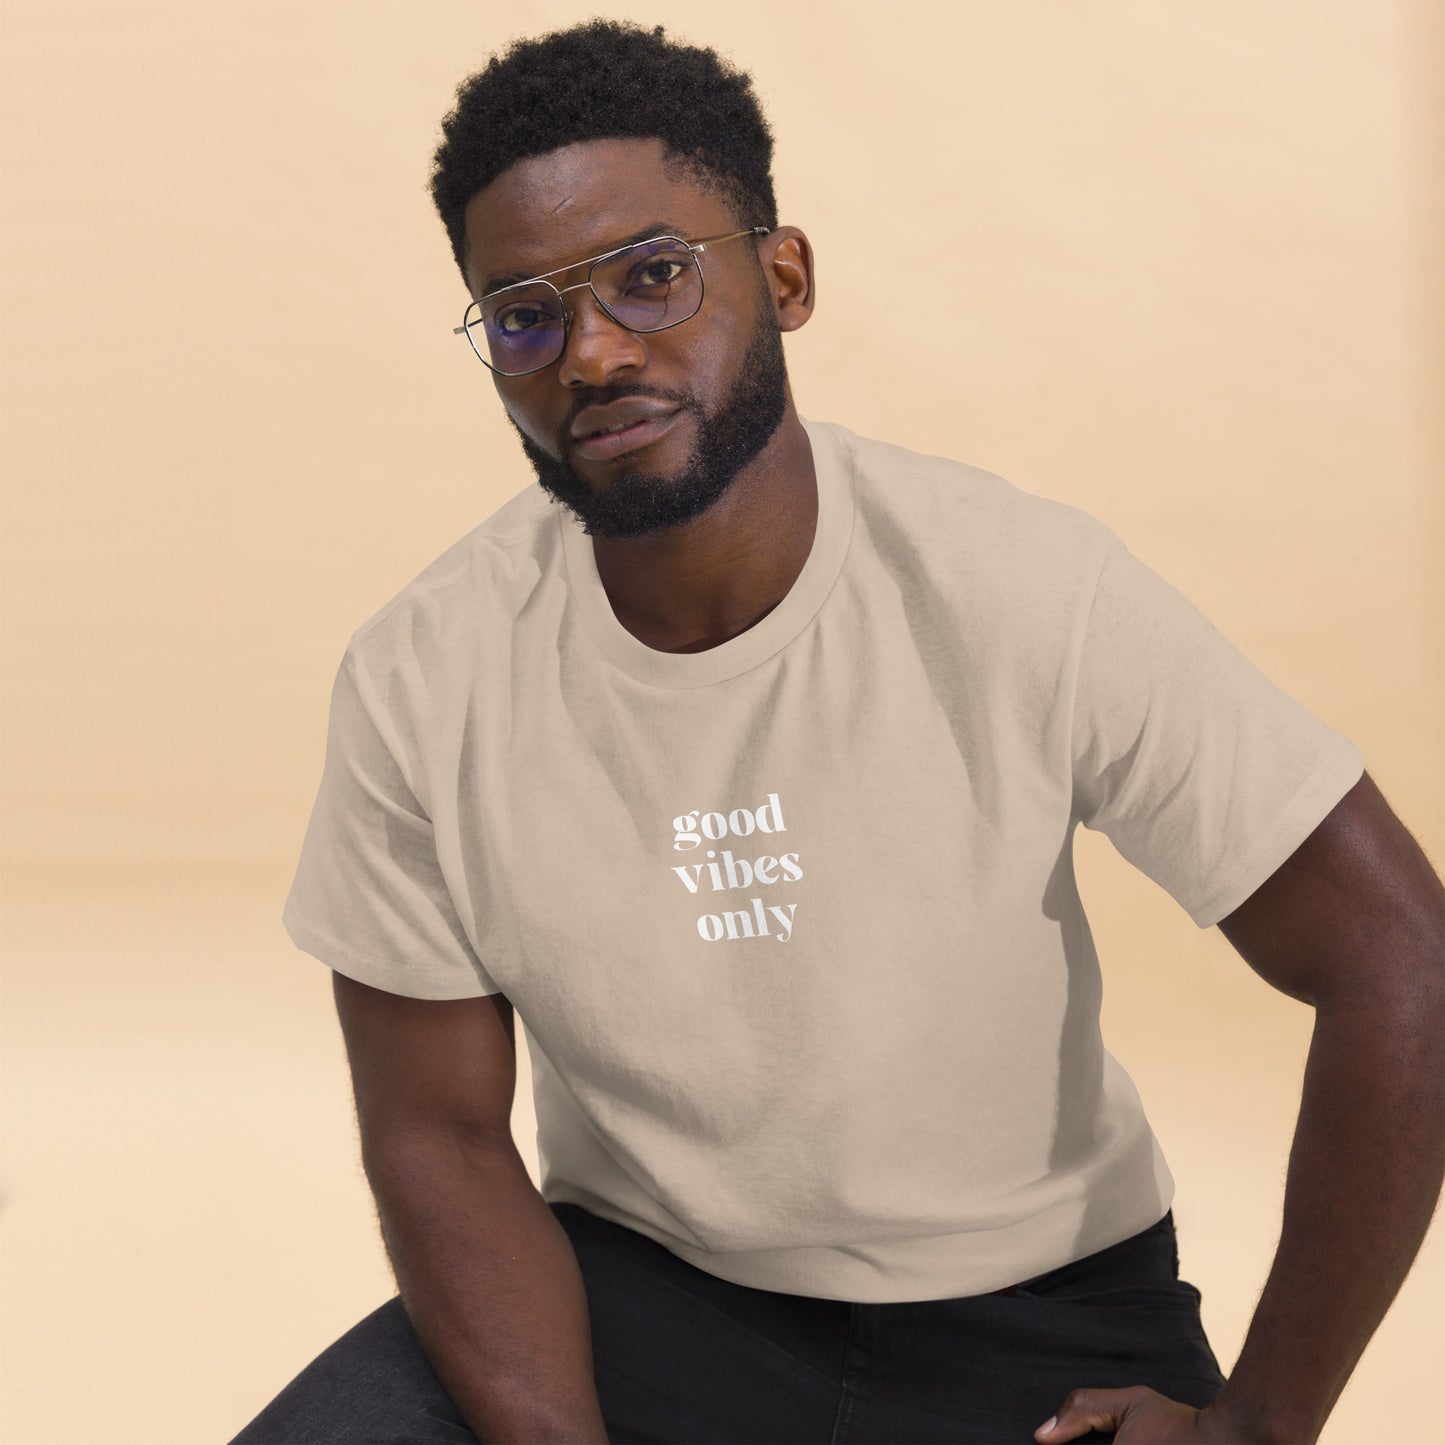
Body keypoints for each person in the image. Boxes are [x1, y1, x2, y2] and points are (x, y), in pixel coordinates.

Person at [231, 19, 1445, 1445]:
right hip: (643, 1298)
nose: (594, 352)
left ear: (783, 276)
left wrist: (1260, 1423)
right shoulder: (420, 676)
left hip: (1035, 1321)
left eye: (653, 274)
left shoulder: (1019, 584)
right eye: (524, 316)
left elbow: (1399, 957)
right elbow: (434, 1131)